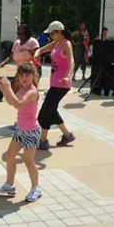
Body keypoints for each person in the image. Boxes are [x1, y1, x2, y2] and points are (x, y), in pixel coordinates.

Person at [0, 63, 42, 202]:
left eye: (27, 74)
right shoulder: (22, 90)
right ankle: (9, 185)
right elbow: (11, 102)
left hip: (31, 131)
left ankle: (35, 188)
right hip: (20, 130)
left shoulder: (32, 91)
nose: (24, 77)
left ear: (33, 76)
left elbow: (18, 104)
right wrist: (4, 90)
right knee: (9, 155)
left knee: (29, 161)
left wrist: (8, 88)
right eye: (21, 75)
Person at [34, 21, 76, 150]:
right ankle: (67, 135)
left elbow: (72, 62)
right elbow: (42, 49)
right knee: (52, 110)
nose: (51, 36)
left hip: (62, 85)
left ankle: (43, 140)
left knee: (45, 112)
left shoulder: (66, 44)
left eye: (52, 33)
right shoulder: (56, 43)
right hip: (55, 83)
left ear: (59, 32)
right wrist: (37, 53)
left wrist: (68, 76)